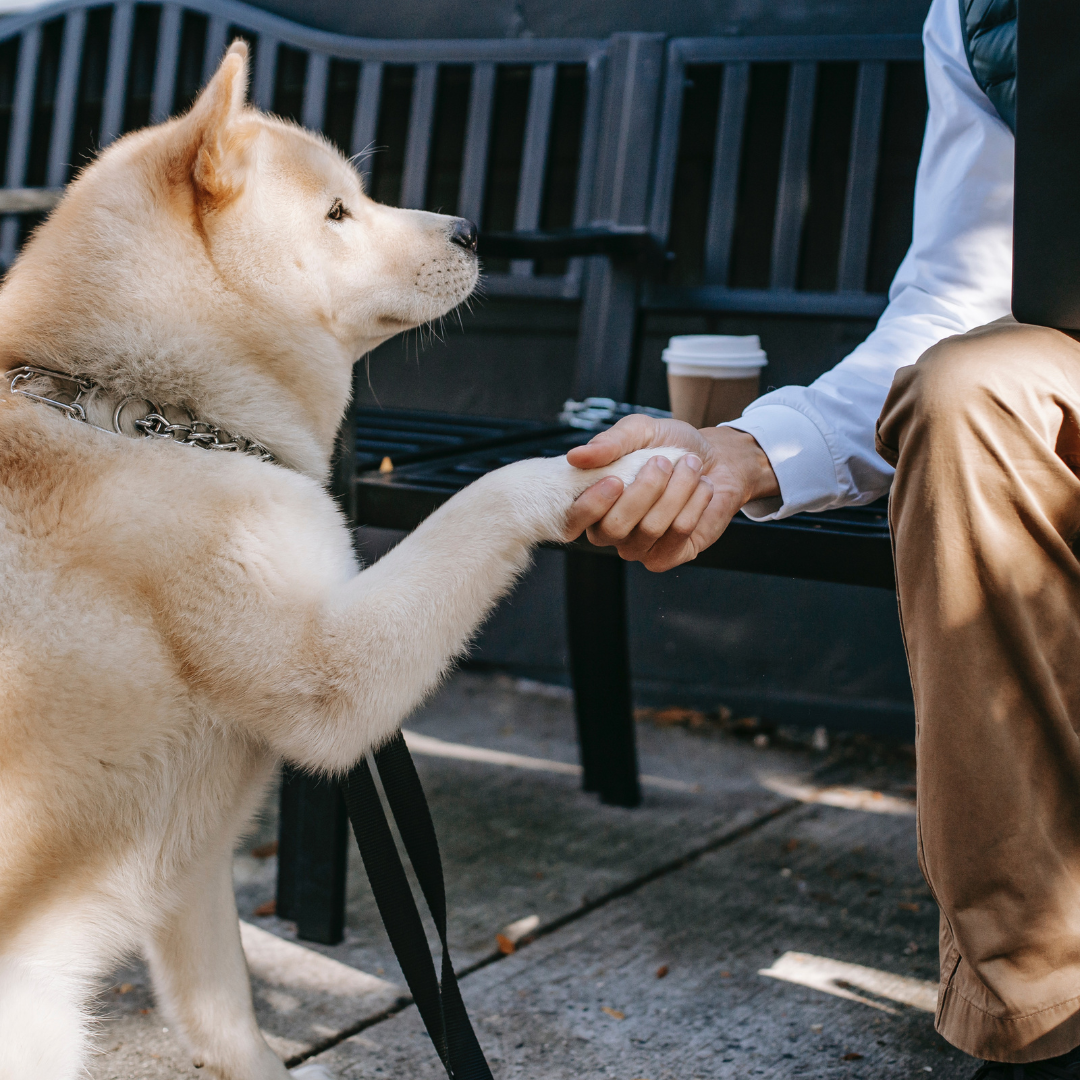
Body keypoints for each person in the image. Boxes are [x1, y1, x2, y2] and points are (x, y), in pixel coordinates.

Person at [562, 0, 1080, 1076]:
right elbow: (959, 293)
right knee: (968, 390)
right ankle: (1038, 1016)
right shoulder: (986, 14)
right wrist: (749, 448)